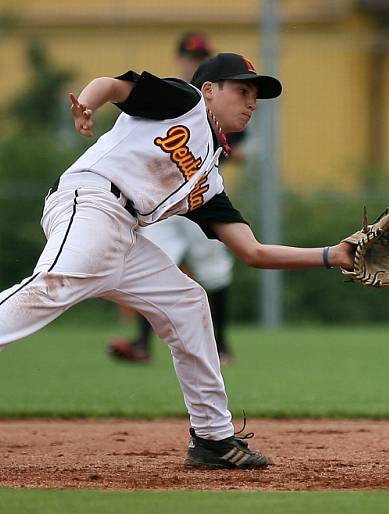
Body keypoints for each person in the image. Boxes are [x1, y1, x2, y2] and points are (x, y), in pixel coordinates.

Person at [0, 52, 353, 469]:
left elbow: (252, 251)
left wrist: (331, 255)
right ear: (209, 90)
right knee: (58, 279)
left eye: (256, 96)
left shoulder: (208, 179)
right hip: (90, 199)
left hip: (121, 233)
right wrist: (86, 104)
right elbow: (113, 86)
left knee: (188, 303)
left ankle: (213, 438)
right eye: (242, 90)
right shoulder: (183, 102)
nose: (252, 102)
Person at [108, 32, 240, 365]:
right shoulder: (172, 95)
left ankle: (221, 344)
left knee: (215, 269)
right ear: (180, 59)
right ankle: (141, 343)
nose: (194, 62)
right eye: (191, 56)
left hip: (200, 199)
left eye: (201, 57)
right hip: (161, 204)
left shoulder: (221, 104)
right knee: (154, 263)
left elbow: (237, 143)